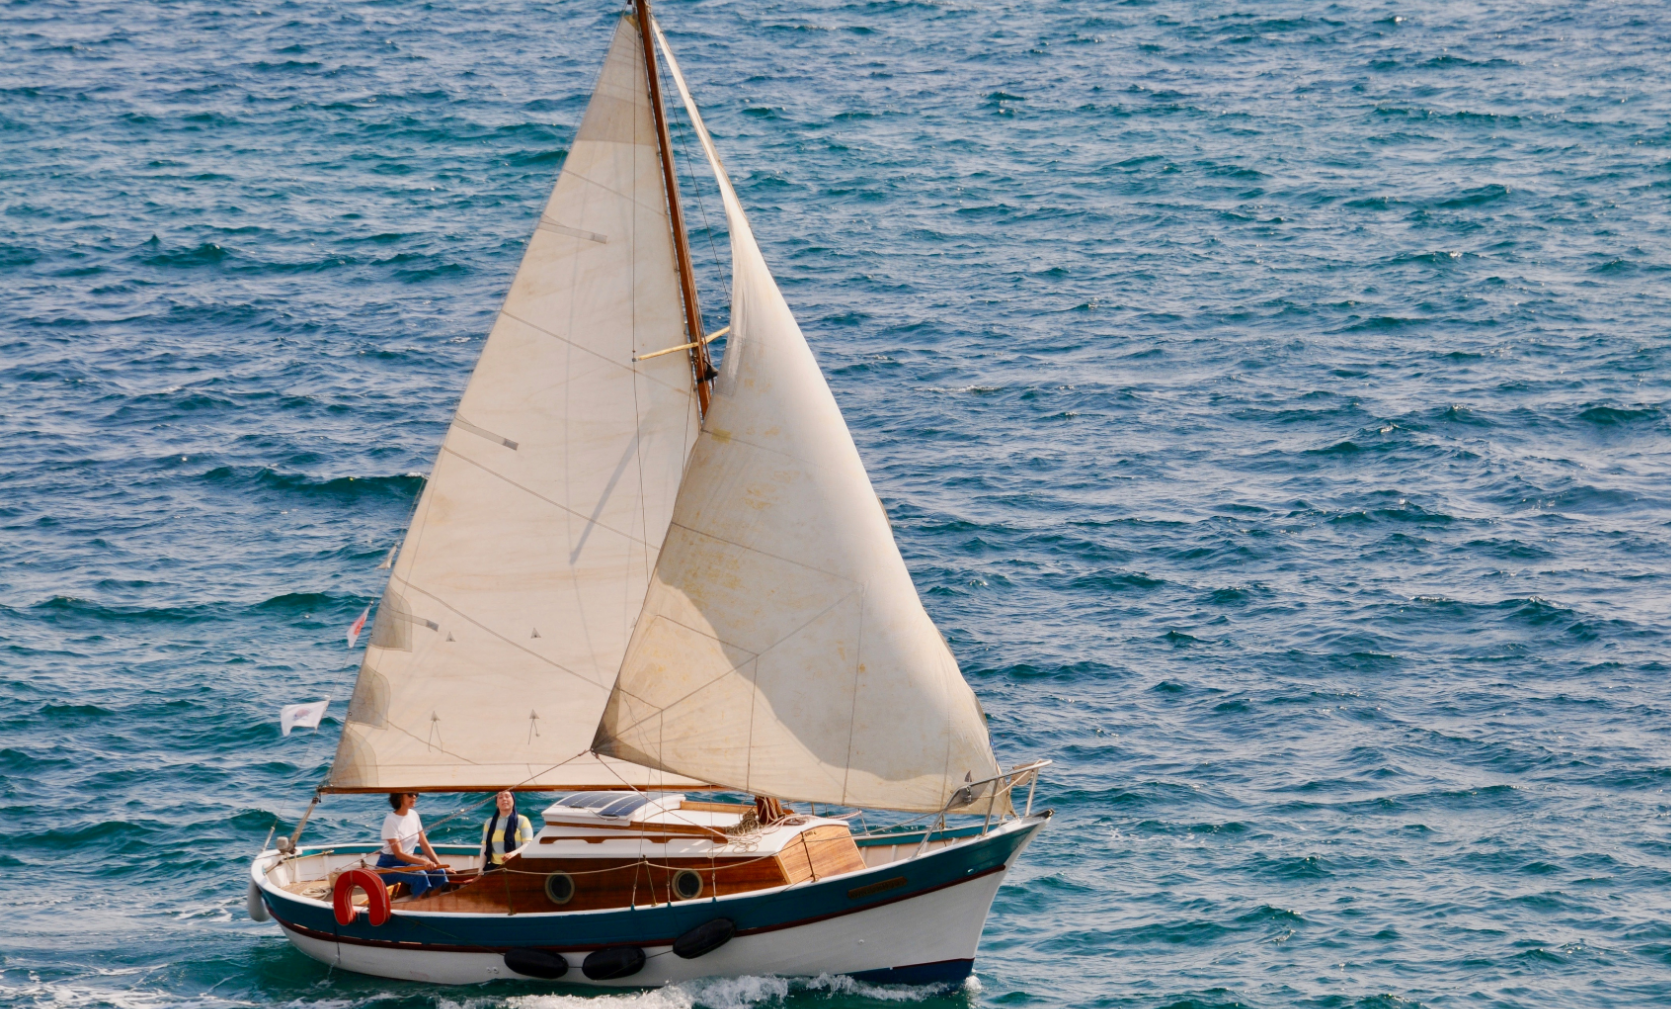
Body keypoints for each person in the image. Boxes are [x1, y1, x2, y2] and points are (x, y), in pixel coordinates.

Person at [376, 792, 449, 898]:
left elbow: (424, 844)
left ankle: (430, 906)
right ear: (400, 797)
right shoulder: (390, 820)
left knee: (439, 872)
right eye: (410, 794)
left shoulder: (414, 815)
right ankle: (418, 908)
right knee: (419, 875)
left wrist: (438, 864)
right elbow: (399, 854)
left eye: (416, 794)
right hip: (388, 867)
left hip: (408, 864)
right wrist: (424, 862)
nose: (414, 797)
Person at [478, 790, 533, 871]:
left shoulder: (523, 820)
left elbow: (528, 844)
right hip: (494, 868)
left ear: (513, 800)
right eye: (500, 797)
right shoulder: (489, 823)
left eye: (507, 796)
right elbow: (484, 848)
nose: (504, 799)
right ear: (496, 803)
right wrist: (480, 873)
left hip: (517, 866)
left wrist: (513, 854)